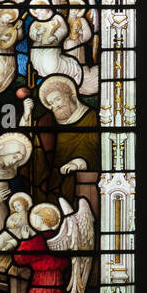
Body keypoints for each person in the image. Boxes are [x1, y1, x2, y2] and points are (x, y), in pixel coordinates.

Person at [32, 74, 98, 203]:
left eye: (57, 99)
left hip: (78, 179)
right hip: (52, 180)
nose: (55, 106)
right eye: (50, 103)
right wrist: (27, 114)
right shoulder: (48, 122)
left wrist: (78, 163)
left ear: (69, 95)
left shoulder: (92, 118)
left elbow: (95, 149)